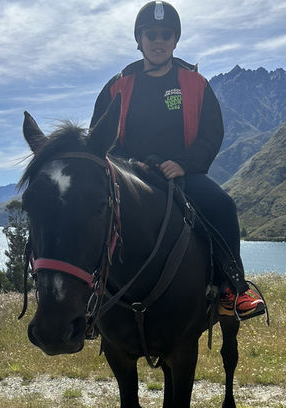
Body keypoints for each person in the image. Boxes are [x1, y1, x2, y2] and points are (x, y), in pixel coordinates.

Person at [90, 1, 265, 320]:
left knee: (223, 206)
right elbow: (100, 137)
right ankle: (89, 294)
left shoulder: (194, 83)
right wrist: (121, 170)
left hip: (180, 174)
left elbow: (212, 133)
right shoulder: (117, 86)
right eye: (151, 34)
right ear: (139, 39)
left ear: (175, 40)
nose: (158, 41)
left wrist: (185, 163)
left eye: (166, 34)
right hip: (130, 179)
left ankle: (233, 290)